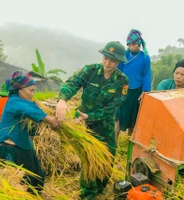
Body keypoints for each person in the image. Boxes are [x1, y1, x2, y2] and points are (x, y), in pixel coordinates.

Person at [55, 41, 129, 200]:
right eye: (105, 58)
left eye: (113, 61)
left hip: (105, 125)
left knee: (107, 158)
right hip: (83, 125)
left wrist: (91, 116)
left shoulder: (122, 81)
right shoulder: (90, 71)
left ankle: (101, 188)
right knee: (89, 159)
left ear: (119, 62)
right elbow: (72, 83)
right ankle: (88, 194)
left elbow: (113, 107)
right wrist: (62, 100)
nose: (108, 63)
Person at [0, 70, 59, 193]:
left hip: (22, 146)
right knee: (20, 185)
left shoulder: (19, 102)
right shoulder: (14, 101)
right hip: (10, 149)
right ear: (20, 89)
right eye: (31, 90)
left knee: (37, 180)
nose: (32, 94)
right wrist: (51, 120)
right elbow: (31, 109)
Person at [115, 29, 152, 139]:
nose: (132, 46)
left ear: (139, 44)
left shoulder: (145, 57)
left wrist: (145, 91)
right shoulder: (124, 55)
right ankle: (115, 139)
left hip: (137, 92)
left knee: (134, 117)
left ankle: (130, 140)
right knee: (119, 116)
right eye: (130, 44)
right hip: (124, 90)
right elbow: (118, 71)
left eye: (134, 44)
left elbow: (146, 75)